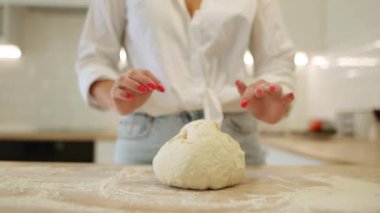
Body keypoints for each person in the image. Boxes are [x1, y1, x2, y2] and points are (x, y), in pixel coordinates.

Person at [76, 0, 295, 165]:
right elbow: (94, 59)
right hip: (147, 138)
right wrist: (115, 97)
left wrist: (273, 94)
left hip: (235, 137)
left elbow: (277, 60)